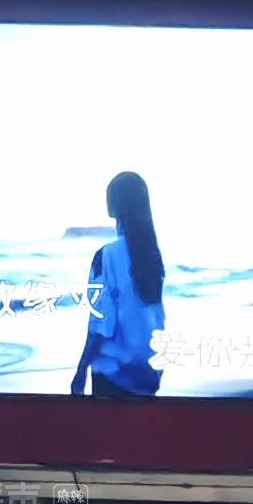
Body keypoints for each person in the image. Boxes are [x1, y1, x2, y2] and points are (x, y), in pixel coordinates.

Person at [71, 168, 166, 397]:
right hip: (148, 373)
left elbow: (100, 324)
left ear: (113, 205)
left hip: (114, 376)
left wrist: (80, 371)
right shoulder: (152, 256)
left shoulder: (106, 256)